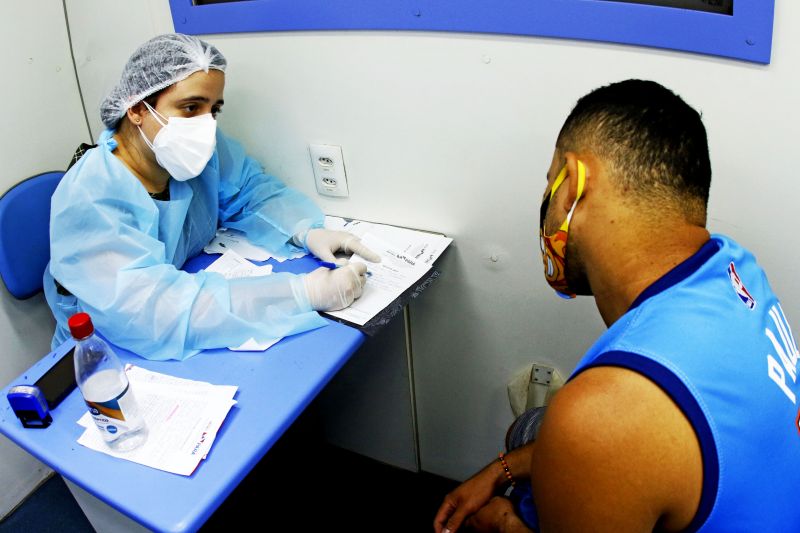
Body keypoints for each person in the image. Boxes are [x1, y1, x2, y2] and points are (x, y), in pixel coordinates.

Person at [434, 79, 800, 532]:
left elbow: (607, 429)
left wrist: (503, 523)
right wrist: (503, 469)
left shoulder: (605, 413)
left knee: (547, 426)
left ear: (572, 186)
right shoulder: (734, 267)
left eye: (551, 186)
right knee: (531, 429)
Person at [44, 33, 380, 361]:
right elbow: (155, 311)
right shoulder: (91, 196)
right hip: (108, 350)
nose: (205, 126)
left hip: (179, 311)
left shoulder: (190, 153)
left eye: (213, 109)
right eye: (190, 107)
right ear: (136, 109)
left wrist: (307, 231)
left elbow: (248, 190)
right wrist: (302, 293)